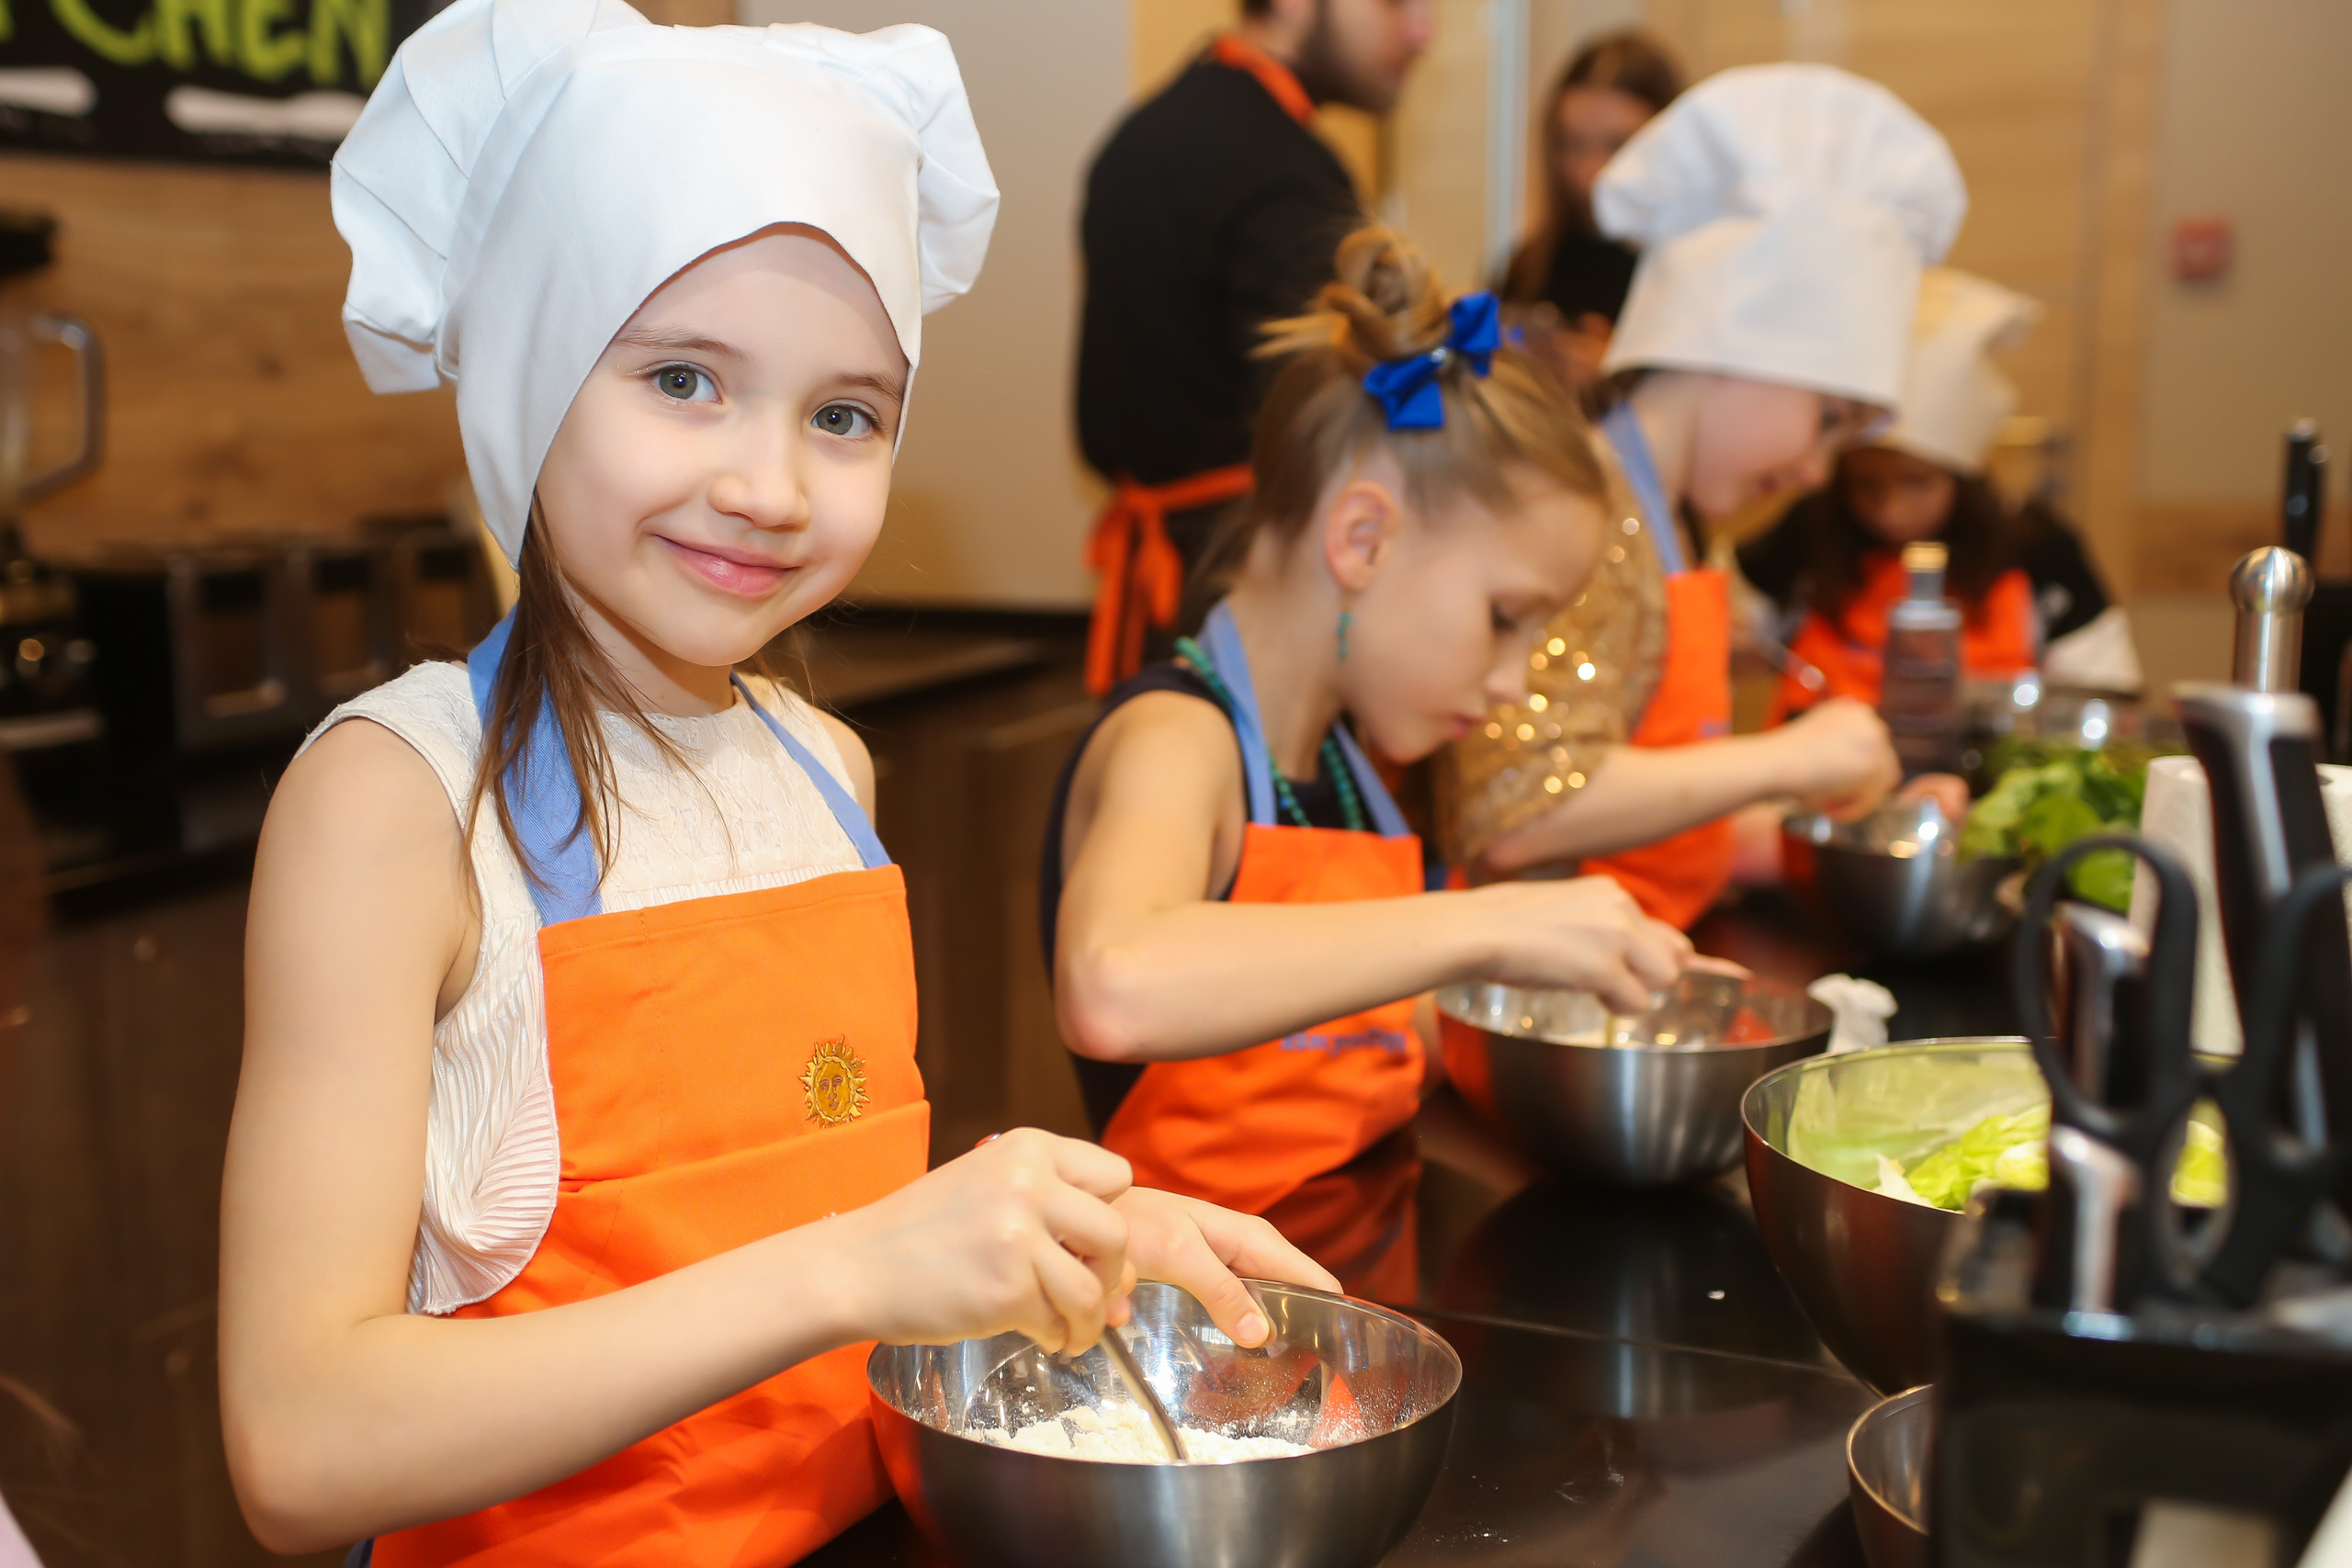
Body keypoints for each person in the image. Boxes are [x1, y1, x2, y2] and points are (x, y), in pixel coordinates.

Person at [218, 5, 1334, 1561]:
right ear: (532, 378)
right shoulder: (393, 799)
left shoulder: (823, 764)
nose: (770, 484)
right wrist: (854, 1267)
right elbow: (300, 1442)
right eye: (682, 377)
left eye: (846, 414)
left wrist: (1054, 1236)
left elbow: (798, 1193)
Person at [1045, 225, 1695, 1295]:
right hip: (1188, 1318)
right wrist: (1491, 921)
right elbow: (1116, 984)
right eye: (1506, 619)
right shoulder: (1179, 740)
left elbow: (1381, 1033)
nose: (1510, 682)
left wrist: (1592, 988)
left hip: (1359, 1270)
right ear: (1362, 540)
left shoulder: (1355, 772)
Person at [1440, 64, 1970, 929]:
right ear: (1733, 348)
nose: (1812, 471)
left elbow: (1660, 827)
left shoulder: (1683, 523)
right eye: (1826, 420)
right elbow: (1515, 807)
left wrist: (1836, 820)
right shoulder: (1579, 503)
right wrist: (1783, 760)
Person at [1076, 0, 1435, 694]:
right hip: (1248, 596)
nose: (1422, 31)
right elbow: (1334, 428)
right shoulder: (1283, 169)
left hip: (1170, 589)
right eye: (1396, 2)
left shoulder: (1144, 132)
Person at [1739, 267, 2140, 716]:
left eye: (1917, 482)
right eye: (1866, 485)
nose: (1891, 510)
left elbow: (2103, 689)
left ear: (1961, 477)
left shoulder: (2036, 546)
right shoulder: (1810, 529)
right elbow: (1734, 630)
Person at [1497, 29, 1684, 392]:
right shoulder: (1525, 269)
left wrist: (1622, 375)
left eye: (1619, 146)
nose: (1589, 173)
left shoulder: (1694, 276)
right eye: (1572, 144)